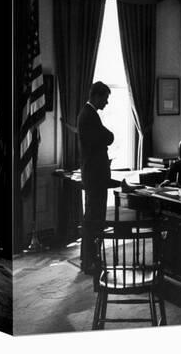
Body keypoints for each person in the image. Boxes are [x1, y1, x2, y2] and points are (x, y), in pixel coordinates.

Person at [77, 81, 114, 274]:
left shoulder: (89, 115)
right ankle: (90, 262)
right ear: (97, 96)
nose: (106, 103)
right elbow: (108, 137)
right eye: (105, 98)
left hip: (94, 175)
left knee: (92, 219)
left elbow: (104, 137)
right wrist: (107, 136)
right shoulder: (89, 116)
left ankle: (89, 260)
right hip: (95, 176)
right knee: (93, 220)